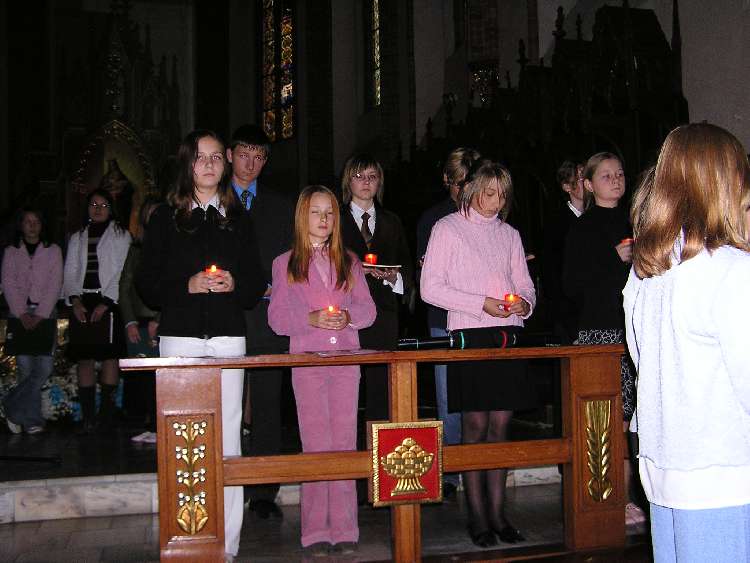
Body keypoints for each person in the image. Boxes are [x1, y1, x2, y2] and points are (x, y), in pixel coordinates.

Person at [137, 129, 266, 560]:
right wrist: (186, 285)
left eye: (215, 157)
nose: (209, 164)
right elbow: (146, 283)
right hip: (181, 338)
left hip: (228, 338)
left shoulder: (238, 218)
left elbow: (256, 283)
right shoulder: (165, 218)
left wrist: (236, 283)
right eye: (200, 157)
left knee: (228, 440)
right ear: (187, 164)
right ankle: (187, 540)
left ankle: (226, 544)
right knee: (183, 443)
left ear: (224, 164)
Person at [624, 123, 750, 562]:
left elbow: (641, 357)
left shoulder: (648, 271)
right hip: (726, 473)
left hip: (668, 468)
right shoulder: (732, 270)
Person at [421, 160, 536, 547]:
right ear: (471, 191)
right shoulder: (447, 228)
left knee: (501, 426)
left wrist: (524, 304)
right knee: (474, 426)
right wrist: (479, 303)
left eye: (502, 195)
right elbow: (430, 288)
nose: (496, 202)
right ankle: (477, 517)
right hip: (470, 333)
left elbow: (525, 285)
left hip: (507, 334)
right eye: (489, 193)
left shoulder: (510, 234)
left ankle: (499, 514)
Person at [268, 185, 376, 556]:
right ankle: (315, 530)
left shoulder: (350, 261)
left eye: (329, 212)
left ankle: (345, 528)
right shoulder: (285, 263)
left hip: (345, 363)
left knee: (344, 442)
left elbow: (368, 310)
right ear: (302, 217)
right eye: (316, 212)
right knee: (315, 444)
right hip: (308, 364)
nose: (324, 219)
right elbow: (277, 318)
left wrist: (348, 316)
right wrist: (309, 318)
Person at [561, 152, 644, 524]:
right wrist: (614, 259)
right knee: (605, 420)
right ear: (589, 184)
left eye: (620, 173)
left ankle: (630, 496)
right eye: (606, 175)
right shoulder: (583, 227)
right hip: (600, 331)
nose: (615, 179)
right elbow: (571, 286)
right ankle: (608, 499)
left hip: (635, 330)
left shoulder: (636, 220)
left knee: (634, 418)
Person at [226, 124, 294, 519]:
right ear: (230, 155)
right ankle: (229, 482)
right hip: (226, 315)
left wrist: (277, 286)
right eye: (244, 154)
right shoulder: (214, 200)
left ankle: (265, 489)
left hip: (268, 316)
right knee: (229, 404)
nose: (250, 163)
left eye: (258, 156)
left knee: (267, 403)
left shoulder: (280, 206)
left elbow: (292, 258)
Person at [416, 147, 481, 498]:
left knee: (478, 399)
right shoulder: (433, 219)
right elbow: (428, 278)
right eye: (458, 184)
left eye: (470, 184)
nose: (464, 192)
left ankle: (476, 467)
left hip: (480, 320)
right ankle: (451, 473)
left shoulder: (485, 215)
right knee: (448, 401)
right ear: (446, 181)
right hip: (444, 319)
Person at [339, 153, 413, 422]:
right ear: (348, 181)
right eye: (359, 176)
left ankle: (376, 442)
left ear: (380, 181)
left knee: (381, 388)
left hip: (383, 313)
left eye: (372, 176)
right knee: (344, 385)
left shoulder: (391, 221)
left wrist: (395, 279)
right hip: (346, 311)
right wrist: (355, 271)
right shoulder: (335, 219)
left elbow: (406, 264)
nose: (366, 182)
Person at [63, 189, 131, 434]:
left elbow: (121, 271)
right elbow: (70, 270)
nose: (98, 208)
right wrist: (75, 300)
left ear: (111, 209)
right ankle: (88, 417)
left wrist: (107, 302)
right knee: (85, 358)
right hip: (82, 300)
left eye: (103, 205)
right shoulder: (78, 236)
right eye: (94, 204)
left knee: (110, 357)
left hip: (109, 300)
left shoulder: (121, 235)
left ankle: (106, 416)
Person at [2, 207, 63, 434]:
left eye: (36, 221)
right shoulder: (11, 251)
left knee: (44, 367)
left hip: (45, 314)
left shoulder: (53, 250)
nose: (32, 226)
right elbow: (8, 283)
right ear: (21, 225)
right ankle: (31, 420)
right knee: (25, 368)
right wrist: (21, 313)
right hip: (19, 315)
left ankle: (10, 404)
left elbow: (55, 283)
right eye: (28, 221)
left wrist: (40, 314)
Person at [119, 197, 162, 443]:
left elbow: (173, 286)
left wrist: (160, 318)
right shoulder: (136, 249)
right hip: (138, 320)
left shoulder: (172, 246)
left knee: (162, 376)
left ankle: (160, 425)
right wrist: (129, 321)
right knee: (143, 376)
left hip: (162, 321)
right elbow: (125, 286)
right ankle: (149, 423)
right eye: (150, 214)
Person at [541, 160, 585, 344]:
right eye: (581, 178)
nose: (587, 182)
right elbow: (552, 273)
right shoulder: (557, 222)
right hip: (568, 314)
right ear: (567, 186)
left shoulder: (595, 217)